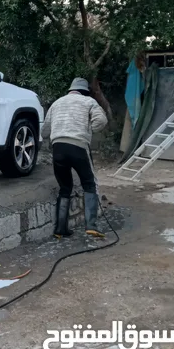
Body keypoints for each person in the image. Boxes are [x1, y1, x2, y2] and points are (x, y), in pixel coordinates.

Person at [41, 78, 108, 238]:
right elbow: (101, 120)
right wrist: (88, 130)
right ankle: (91, 226)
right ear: (85, 91)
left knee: (65, 188)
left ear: (71, 90)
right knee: (90, 184)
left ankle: (60, 229)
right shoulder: (88, 101)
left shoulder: (56, 103)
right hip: (78, 146)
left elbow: (44, 131)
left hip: (58, 149)